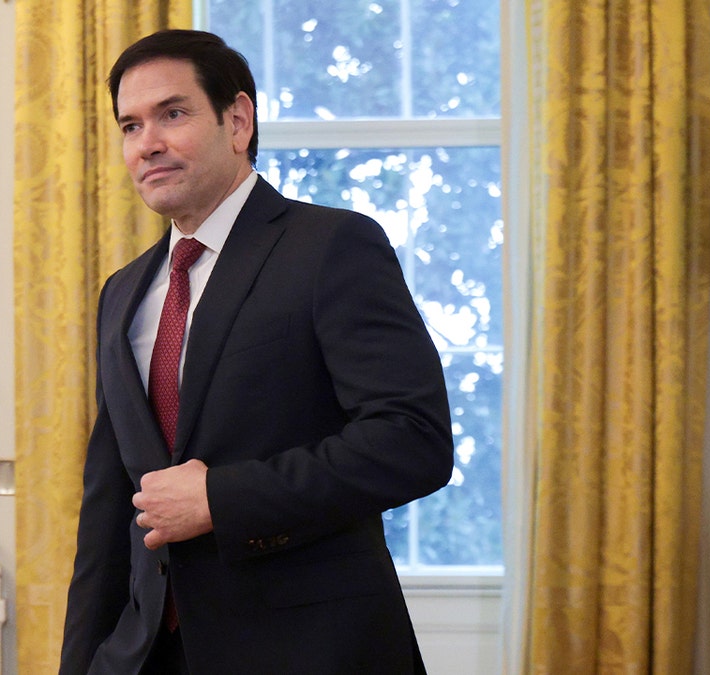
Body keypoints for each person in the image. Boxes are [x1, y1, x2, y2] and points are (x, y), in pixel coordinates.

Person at [59, 29, 454, 675]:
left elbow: (413, 442)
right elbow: (109, 509)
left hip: (310, 648)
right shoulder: (123, 291)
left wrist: (222, 497)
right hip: (145, 654)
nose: (147, 143)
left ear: (237, 120)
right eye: (130, 125)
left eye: (173, 114)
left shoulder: (332, 245)